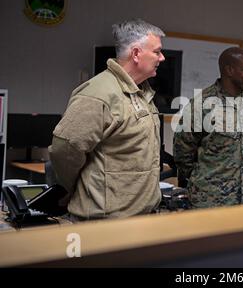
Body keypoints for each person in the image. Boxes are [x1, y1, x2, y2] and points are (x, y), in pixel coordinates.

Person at [49, 19, 166, 220]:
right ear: (136, 54)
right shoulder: (99, 93)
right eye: (157, 52)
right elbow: (66, 149)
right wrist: (76, 187)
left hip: (140, 219)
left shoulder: (142, 93)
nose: (162, 58)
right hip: (104, 223)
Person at [173, 47, 243, 209]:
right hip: (211, 201)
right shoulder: (201, 104)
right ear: (229, 70)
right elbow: (182, 152)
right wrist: (204, 181)